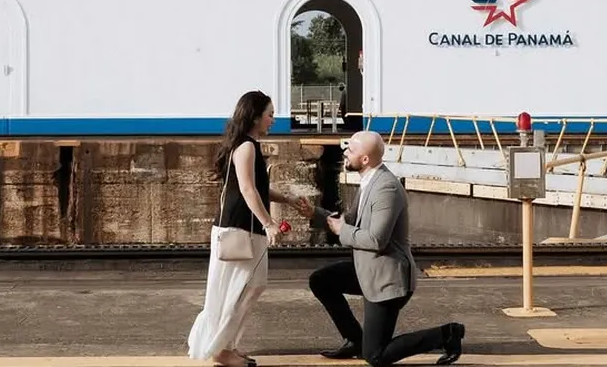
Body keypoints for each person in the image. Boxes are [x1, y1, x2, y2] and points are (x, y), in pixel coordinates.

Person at [294, 130, 465, 366]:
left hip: (388, 280)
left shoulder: (386, 188)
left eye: (351, 149)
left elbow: (376, 240)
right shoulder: (369, 181)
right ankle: (355, 340)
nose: (345, 152)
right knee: (321, 280)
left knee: (375, 356)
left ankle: (446, 334)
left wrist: (342, 230)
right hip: (368, 270)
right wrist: (316, 213)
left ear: (365, 159)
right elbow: (350, 221)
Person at [187, 90, 302, 367]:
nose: (273, 120)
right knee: (241, 289)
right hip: (239, 229)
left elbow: (255, 188)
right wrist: (269, 223)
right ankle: (221, 349)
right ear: (255, 117)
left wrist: (287, 199)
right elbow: (248, 190)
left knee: (245, 288)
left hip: (240, 228)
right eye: (270, 114)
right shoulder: (247, 147)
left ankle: (226, 346)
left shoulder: (245, 145)